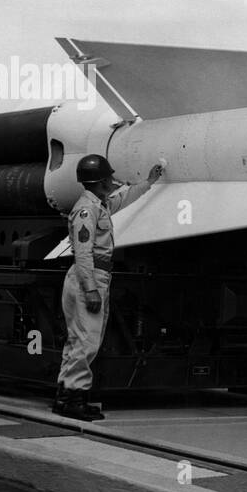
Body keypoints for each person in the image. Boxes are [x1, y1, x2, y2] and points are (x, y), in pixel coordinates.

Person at [53, 153, 164, 421]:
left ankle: (66, 395)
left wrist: (148, 182)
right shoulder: (86, 210)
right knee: (88, 341)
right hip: (88, 277)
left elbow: (122, 199)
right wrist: (90, 288)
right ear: (101, 181)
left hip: (88, 276)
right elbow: (82, 252)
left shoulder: (98, 204)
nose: (112, 182)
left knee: (77, 340)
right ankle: (74, 399)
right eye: (108, 178)